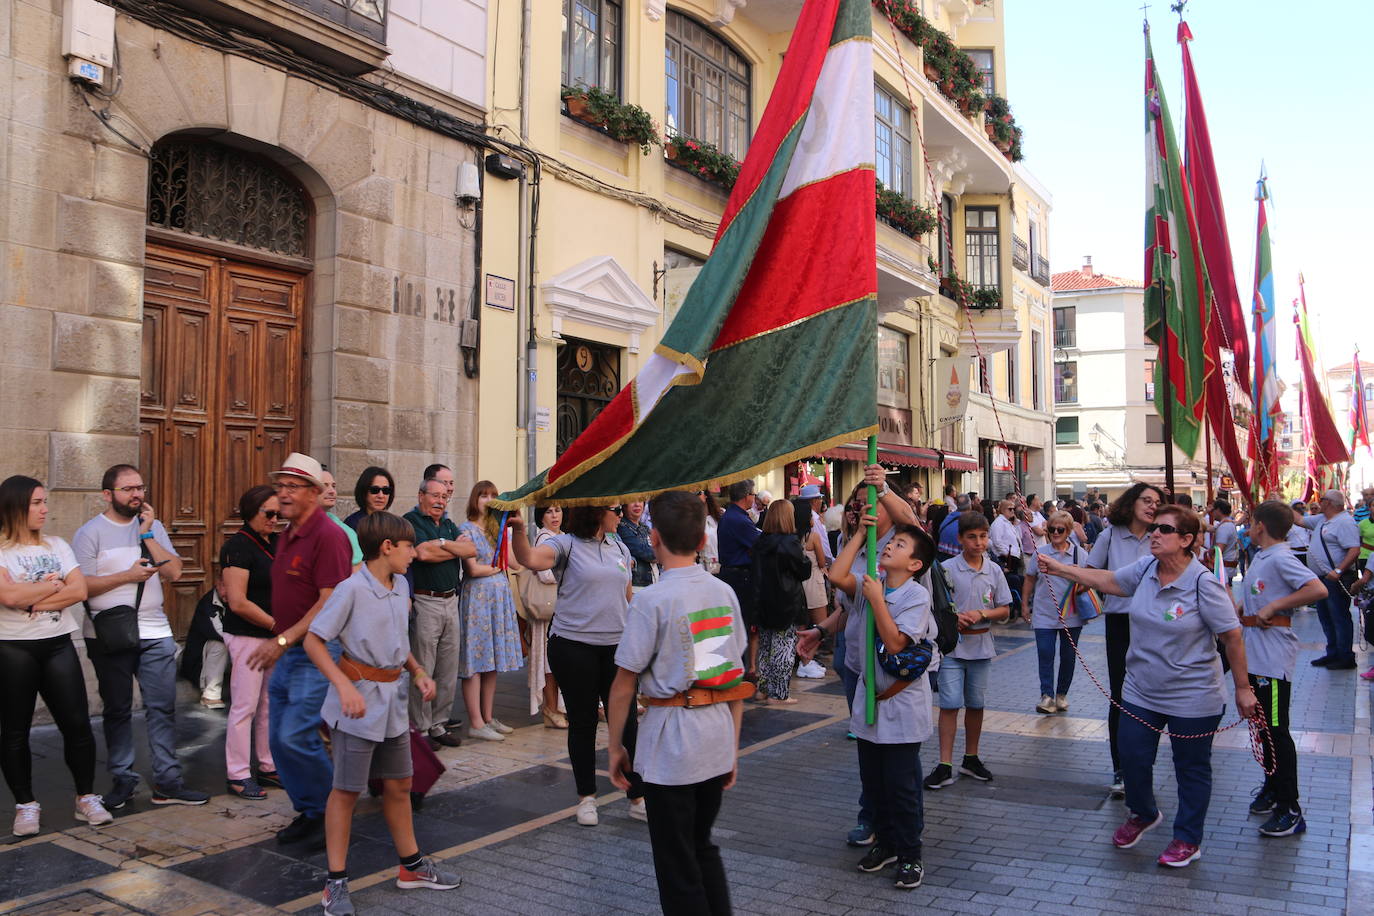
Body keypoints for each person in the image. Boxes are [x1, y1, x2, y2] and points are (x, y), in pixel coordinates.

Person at [1038, 504, 1257, 868]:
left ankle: (1187, 838)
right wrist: (1061, 568)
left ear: (1187, 540)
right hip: (1141, 689)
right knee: (1133, 755)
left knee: (1191, 768)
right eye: (1154, 528)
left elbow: (1232, 637)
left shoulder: (1204, 584)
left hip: (1194, 695)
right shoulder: (1146, 568)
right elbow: (1109, 581)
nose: (1154, 533)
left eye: (1165, 530)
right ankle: (1142, 812)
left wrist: (1243, 688)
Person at [306, 512, 461, 915]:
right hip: (357, 704)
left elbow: (396, 640)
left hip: (392, 703)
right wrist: (342, 686)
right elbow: (314, 640)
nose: (415, 552)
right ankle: (334, 883)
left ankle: (410, 867)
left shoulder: (402, 584)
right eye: (409, 546)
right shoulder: (350, 589)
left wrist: (418, 670)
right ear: (387, 547)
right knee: (346, 792)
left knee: (399, 785)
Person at [607, 490, 751, 915]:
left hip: (671, 745)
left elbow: (623, 683)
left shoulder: (652, 599)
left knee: (676, 863)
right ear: (703, 540)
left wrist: (616, 746)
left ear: (653, 537)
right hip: (714, 735)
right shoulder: (723, 592)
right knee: (701, 846)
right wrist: (732, 747)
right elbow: (733, 680)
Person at [74, 464, 208, 809]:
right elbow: (81, 586)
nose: (136, 495)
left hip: (155, 632)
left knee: (162, 708)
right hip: (108, 634)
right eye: (128, 489)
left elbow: (176, 572)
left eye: (140, 488)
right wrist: (127, 576)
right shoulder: (90, 533)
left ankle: (168, 781)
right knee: (117, 709)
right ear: (108, 495)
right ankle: (123, 781)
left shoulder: (154, 528)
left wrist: (148, 534)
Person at [799, 465, 917, 847]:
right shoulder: (858, 548)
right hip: (857, 665)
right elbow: (847, 600)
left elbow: (909, 518)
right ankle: (871, 819)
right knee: (868, 752)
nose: (861, 509)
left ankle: (903, 834)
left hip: (893, 670)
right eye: (855, 504)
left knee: (898, 760)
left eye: (870, 503)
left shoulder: (903, 548)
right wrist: (820, 631)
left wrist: (882, 489)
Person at [510, 504, 643, 826]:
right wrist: (517, 531)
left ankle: (638, 797)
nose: (621, 514)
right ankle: (586, 798)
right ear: (596, 512)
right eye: (615, 509)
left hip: (616, 648)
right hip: (573, 646)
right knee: (583, 722)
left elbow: (626, 597)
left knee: (626, 724)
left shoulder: (620, 546)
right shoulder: (565, 544)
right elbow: (529, 559)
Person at [250, 452, 353, 847]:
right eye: (280, 486)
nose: (283, 494)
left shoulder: (329, 536)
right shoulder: (289, 533)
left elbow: (330, 601)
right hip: (291, 650)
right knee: (279, 739)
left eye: (292, 487)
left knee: (297, 735)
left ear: (314, 492)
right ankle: (309, 811)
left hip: (316, 651)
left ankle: (331, 815)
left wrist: (282, 639)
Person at [0, 476, 109, 836]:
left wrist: (31, 596)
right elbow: (9, 598)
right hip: (12, 647)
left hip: (58, 641)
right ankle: (26, 805)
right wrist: (51, 586)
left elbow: (78, 590)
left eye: (44, 501)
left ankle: (86, 798)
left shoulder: (59, 545)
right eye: (36, 503)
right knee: (15, 731)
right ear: (15, 506)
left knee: (77, 725)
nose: (44, 509)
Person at [849, 521, 936, 890]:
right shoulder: (872, 582)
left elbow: (896, 642)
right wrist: (858, 533)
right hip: (869, 701)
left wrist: (876, 600)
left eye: (899, 545)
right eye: (890, 542)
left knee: (901, 784)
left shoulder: (915, 596)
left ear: (915, 564)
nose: (888, 547)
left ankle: (910, 854)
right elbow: (838, 575)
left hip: (901, 704)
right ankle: (884, 843)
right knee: (875, 782)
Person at [1238, 501, 1327, 837]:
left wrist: (1275, 606)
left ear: (1261, 525)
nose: (1247, 523)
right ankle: (1273, 788)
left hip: (1272, 659)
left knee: (1276, 731)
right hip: (1254, 654)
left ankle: (1291, 808)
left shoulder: (1281, 557)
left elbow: (1316, 588)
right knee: (1263, 730)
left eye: (1251, 520)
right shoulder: (1262, 556)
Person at [1086, 482, 1164, 797]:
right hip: (1120, 622)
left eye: (1157, 502)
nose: (1152, 506)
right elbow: (1091, 573)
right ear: (1131, 503)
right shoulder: (1110, 535)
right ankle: (1120, 769)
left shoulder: (1162, 535)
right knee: (1120, 696)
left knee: (1152, 696)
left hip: (1157, 624)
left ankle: (1143, 767)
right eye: (1146, 500)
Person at [924, 512, 1011, 790]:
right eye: (972, 537)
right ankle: (945, 763)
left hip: (982, 647)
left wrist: (982, 613)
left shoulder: (994, 570)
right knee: (949, 704)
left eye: (983, 536)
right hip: (952, 649)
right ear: (960, 539)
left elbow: (1004, 609)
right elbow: (935, 607)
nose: (978, 542)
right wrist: (955, 618)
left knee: (976, 703)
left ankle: (971, 757)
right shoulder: (946, 568)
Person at [219, 485, 283, 800]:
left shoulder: (277, 542)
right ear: (250, 512)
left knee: (269, 705)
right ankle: (238, 773)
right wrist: (275, 624)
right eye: (268, 514)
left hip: (273, 637)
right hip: (247, 636)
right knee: (245, 705)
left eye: (277, 513)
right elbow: (238, 601)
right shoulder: (238, 546)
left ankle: (268, 765)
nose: (274, 519)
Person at [404, 479, 476, 750]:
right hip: (426, 601)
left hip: (450, 600)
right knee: (423, 666)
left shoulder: (448, 525)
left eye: (444, 497)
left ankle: (438, 724)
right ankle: (420, 729)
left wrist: (442, 543)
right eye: (434, 495)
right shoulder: (410, 521)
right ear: (421, 495)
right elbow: (422, 553)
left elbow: (470, 550)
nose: (440, 501)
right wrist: (450, 548)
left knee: (447, 669)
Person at [454, 481, 523, 741]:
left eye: (493, 495)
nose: (489, 499)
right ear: (475, 499)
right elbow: (472, 569)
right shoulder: (466, 530)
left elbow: (515, 562)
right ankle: (475, 721)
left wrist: (517, 531)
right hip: (478, 598)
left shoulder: (498, 530)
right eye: (484, 495)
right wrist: (497, 568)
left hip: (498, 597)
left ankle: (488, 716)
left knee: (491, 660)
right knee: (475, 659)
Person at [1022, 510, 1089, 715]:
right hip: (1044, 613)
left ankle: (1061, 694)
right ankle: (1047, 695)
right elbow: (1030, 579)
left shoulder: (1080, 554)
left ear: (1068, 531)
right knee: (1045, 654)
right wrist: (1025, 604)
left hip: (1071, 614)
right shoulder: (1040, 554)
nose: (1056, 532)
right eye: (1052, 529)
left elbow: (1089, 583)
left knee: (1068, 656)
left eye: (1061, 529)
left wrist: (1079, 576)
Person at [750, 501, 808, 704]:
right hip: (786, 601)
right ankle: (779, 694)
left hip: (764, 601)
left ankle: (763, 689)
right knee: (783, 648)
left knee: (765, 648)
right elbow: (803, 571)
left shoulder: (760, 542)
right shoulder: (790, 543)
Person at [1300, 490, 1360, 670]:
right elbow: (1298, 520)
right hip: (1320, 578)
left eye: (1322, 499)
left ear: (1330, 503)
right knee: (1325, 616)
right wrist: (1278, 502)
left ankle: (1345, 656)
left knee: (1339, 616)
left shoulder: (1345, 522)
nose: (1319, 502)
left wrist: (1339, 570)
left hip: (1334, 578)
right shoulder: (1321, 519)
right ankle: (1333, 652)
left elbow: (1354, 549)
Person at [717, 481, 761, 678]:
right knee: (741, 624)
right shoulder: (738, 519)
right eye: (753, 494)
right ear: (746, 496)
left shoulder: (733, 516)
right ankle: (738, 672)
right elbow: (761, 543)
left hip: (733, 574)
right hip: (739, 576)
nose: (754, 498)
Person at [528, 506, 567, 727]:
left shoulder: (562, 537)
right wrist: (568, 571)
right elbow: (544, 573)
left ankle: (559, 707)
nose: (555, 516)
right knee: (548, 662)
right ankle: (551, 709)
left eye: (558, 511)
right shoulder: (544, 538)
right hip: (547, 609)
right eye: (549, 511)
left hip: (560, 607)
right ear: (541, 516)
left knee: (558, 661)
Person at [320, 468, 363, 570]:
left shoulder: (345, 531)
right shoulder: (293, 527)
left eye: (333, 486)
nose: (332, 491)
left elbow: (356, 572)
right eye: (324, 486)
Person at [618, 501, 656, 589]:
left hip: (652, 582)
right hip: (636, 587)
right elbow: (649, 554)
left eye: (640, 500)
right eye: (632, 501)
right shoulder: (622, 527)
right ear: (624, 505)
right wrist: (664, 554)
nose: (637, 504)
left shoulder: (644, 527)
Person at [1208, 500, 1239, 581]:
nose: (1213, 513)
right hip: (1227, 569)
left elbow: (1219, 550)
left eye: (1213, 510)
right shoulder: (1228, 524)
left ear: (1218, 510)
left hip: (1223, 570)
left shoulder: (1224, 527)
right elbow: (1209, 528)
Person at [698, 491, 722, 574]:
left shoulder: (719, 516)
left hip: (719, 561)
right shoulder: (694, 520)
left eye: (699, 493)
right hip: (704, 564)